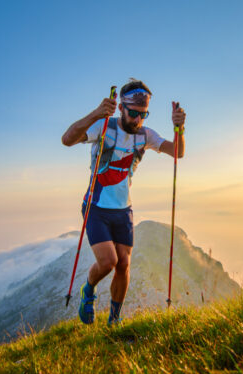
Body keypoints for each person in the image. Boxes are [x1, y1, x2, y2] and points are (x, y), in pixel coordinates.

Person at [61, 78, 186, 325]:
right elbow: (67, 139)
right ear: (121, 108)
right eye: (133, 113)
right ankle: (89, 290)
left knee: (123, 264)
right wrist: (96, 113)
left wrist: (179, 129)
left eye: (143, 114)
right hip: (96, 207)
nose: (138, 119)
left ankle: (114, 320)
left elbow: (177, 152)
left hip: (123, 209)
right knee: (108, 262)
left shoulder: (145, 135)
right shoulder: (103, 126)